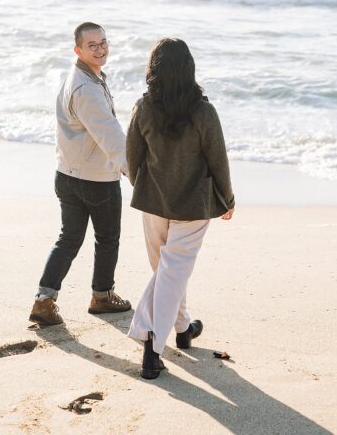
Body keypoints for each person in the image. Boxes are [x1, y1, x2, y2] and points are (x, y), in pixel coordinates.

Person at [125, 38, 234, 380]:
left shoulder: (143, 107)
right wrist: (227, 199)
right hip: (192, 204)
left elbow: (132, 158)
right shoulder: (203, 111)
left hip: (153, 202)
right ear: (190, 69)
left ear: (153, 70)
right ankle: (151, 346)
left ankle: (184, 327)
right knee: (172, 273)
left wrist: (145, 185)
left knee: (168, 271)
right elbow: (219, 160)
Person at [30, 22, 132, 327]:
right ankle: (102, 297)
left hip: (67, 174)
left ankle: (44, 300)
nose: (100, 49)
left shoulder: (78, 76)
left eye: (103, 43)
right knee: (107, 239)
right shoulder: (87, 88)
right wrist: (135, 171)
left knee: (69, 239)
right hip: (95, 179)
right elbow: (109, 134)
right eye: (92, 45)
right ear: (78, 49)